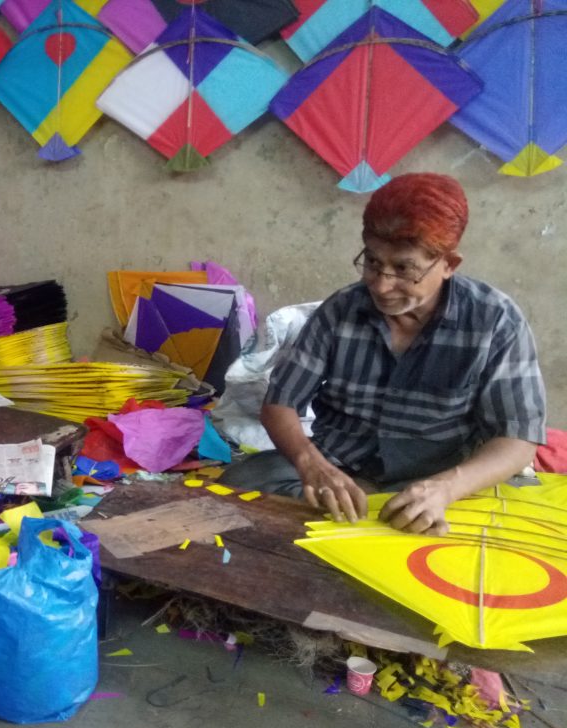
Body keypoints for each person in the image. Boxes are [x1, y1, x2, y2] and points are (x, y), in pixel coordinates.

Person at [220, 173, 546, 535]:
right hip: (341, 463)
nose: (381, 284)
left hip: (439, 479)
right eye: (373, 262)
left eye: (404, 269)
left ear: (449, 264)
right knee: (238, 482)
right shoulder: (342, 310)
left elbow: (517, 438)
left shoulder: (494, 320)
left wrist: (445, 488)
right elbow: (280, 404)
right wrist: (311, 463)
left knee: (511, 527)